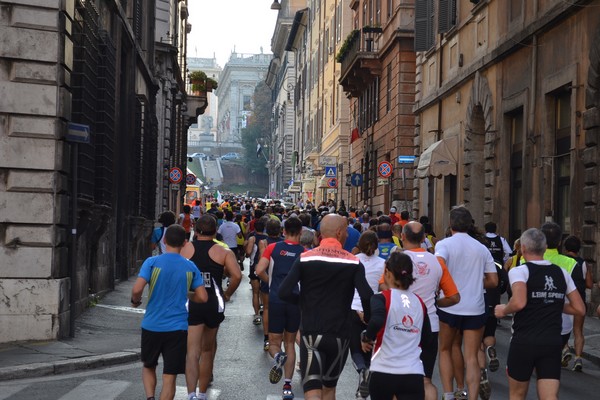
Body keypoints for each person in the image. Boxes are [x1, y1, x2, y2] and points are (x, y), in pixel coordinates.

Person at [279, 214, 374, 400]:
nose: (347, 234)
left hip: (311, 332)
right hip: (340, 334)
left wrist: (302, 302)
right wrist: (368, 325)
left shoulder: (305, 258)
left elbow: (283, 292)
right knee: (329, 389)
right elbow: (367, 296)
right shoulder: (353, 262)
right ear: (339, 233)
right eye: (346, 230)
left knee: (312, 389)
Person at [494, 228, 585, 400]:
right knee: (550, 396)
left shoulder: (520, 271)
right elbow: (580, 309)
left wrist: (503, 310)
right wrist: (555, 302)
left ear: (523, 248)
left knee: (517, 395)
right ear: (544, 248)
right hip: (551, 342)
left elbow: (519, 301)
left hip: (524, 341)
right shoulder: (561, 273)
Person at [131, 225, 208, 400]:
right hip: (177, 328)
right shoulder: (190, 266)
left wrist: (135, 301)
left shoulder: (152, 262)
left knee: (149, 366)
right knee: (170, 376)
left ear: (164, 241)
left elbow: (137, 289)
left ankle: (150, 397)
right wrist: (188, 295)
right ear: (184, 243)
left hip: (152, 325)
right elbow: (202, 297)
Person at [435, 207, 497, 400]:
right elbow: (494, 281)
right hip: (475, 307)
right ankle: (471, 397)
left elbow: (438, 267)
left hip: (450, 305)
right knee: (471, 357)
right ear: (470, 225)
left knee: (446, 349)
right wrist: (476, 282)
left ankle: (450, 393)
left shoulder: (444, 245)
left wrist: (447, 285)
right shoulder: (481, 248)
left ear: (450, 224)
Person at [397, 221, 460, 400]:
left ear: (402, 237)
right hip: (429, 325)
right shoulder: (437, 261)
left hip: (401, 325)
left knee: (398, 379)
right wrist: (435, 303)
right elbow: (455, 297)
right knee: (425, 380)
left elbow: (383, 287)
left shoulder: (397, 261)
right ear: (424, 238)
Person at [181, 216, 241, 400]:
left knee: (192, 352)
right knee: (207, 350)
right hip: (213, 303)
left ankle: (190, 393)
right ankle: (202, 394)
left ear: (195, 230)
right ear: (216, 231)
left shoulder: (185, 249)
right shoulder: (223, 252)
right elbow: (237, 276)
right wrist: (227, 293)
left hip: (191, 302)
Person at [360, 251, 432, 400]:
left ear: (387, 272)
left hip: (383, 370)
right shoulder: (420, 303)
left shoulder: (381, 298)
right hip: (413, 373)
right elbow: (427, 339)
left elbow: (376, 320)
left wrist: (367, 337)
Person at [255, 217, 305, 400]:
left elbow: (259, 270)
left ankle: (278, 358)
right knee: (290, 343)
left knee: (274, 344)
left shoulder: (272, 248)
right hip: (294, 302)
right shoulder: (304, 252)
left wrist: (272, 284)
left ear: (284, 231)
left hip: (276, 300)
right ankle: (287, 386)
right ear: (300, 232)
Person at [350, 231, 386, 399]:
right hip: (374, 308)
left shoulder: (353, 261)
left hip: (354, 307)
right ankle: (367, 375)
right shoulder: (383, 264)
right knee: (370, 345)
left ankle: (361, 371)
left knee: (355, 347)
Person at [562, 235, 593, 371]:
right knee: (578, 331)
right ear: (579, 249)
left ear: (565, 247)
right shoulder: (584, 264)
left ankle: (565, 349)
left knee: (561, 329)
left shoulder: (562, 261)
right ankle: (578, 358)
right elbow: (590, 284)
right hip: (579, 301)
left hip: (565, 302)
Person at [257, 218, 284, 351]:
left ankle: (267, 338)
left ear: (267, 230)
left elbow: (263, 259)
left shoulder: (264, 242)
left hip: (268, 278)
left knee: (267, 308)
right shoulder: (284, 242)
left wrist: (268, 280)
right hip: (282, 279)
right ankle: (280, 337)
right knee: (282, 308)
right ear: (280, 230)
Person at [245, 217, 268, 326]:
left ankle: (257, 315)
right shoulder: (267, 239)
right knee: (264, 291)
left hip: (254, 266)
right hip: (265, 267)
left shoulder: (252, 238)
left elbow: (249, 252)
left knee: (255, 292)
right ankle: (264, 309)